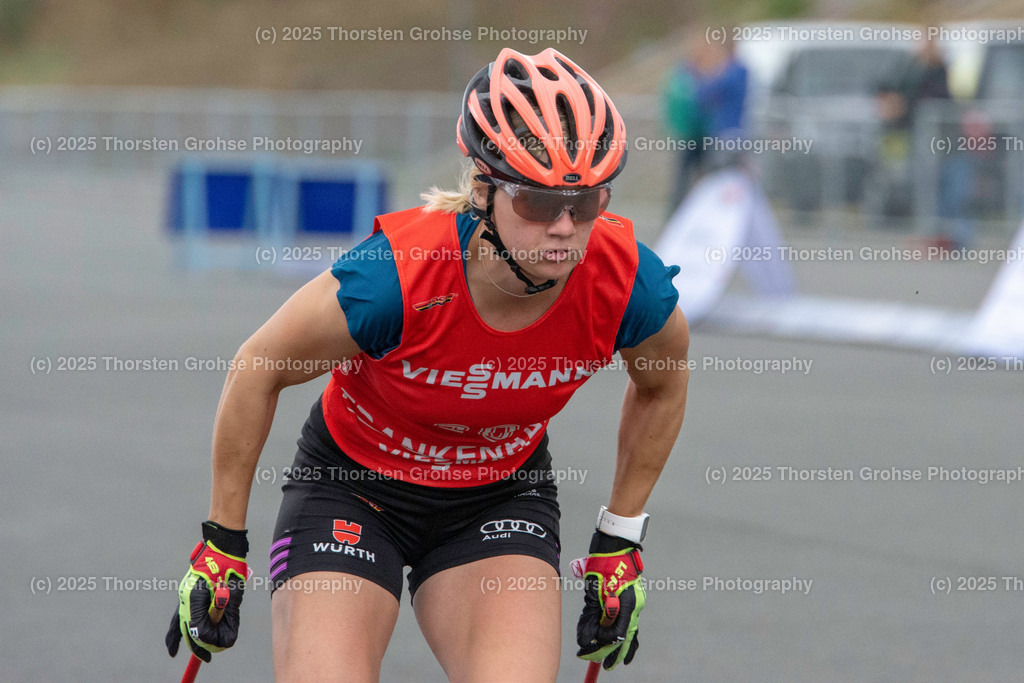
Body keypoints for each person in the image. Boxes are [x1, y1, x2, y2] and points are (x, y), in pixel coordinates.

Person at [165, 46, 689, 682]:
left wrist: (619, 538)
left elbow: (662, 386)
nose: (564, 227)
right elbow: (258, 365)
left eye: (585, 203)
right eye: (537, 202)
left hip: (498, 499)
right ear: (483, 190)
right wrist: (222, 539)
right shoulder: (397, 276)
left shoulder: (629, 283)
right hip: (353, 490)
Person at [664, 32, 749, 214]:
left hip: (723, 136)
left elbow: (707, 93)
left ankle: (719, 214)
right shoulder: (736, 70)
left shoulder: (734, 71)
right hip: (701, 135)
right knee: (701, 179)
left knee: (719, 180)